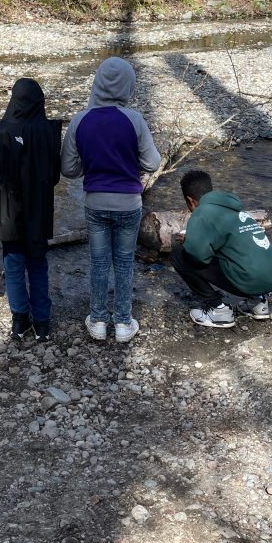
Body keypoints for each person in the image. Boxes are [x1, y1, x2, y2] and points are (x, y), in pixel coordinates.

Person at [61, 57, 161, 343]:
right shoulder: (135, 120)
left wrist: (88, 166)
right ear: (128, 85)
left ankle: (97, 320)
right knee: (125, 262)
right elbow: (152, 163)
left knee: (99, 262)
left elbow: (68, 169)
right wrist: (132, 164)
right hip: (129, 203)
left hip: (95, 202)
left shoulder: (81, 120)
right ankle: (123, 322)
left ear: (98, 82)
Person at [0, 79, 62, 342]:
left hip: (8, 213)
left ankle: (19, 321)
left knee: (12, 264)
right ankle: (42, 322)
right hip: (37, 210)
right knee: (38, 263)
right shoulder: (48, 132)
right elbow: (54, 176)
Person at [171, 169, 272, 328]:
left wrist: (191, 241)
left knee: (178, 253)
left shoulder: (201, 213)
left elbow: (199, 257)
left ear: (190, 201)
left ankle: (218, 309)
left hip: (251, 280)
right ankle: (259, 302)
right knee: (239, 252)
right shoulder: (233, 208)